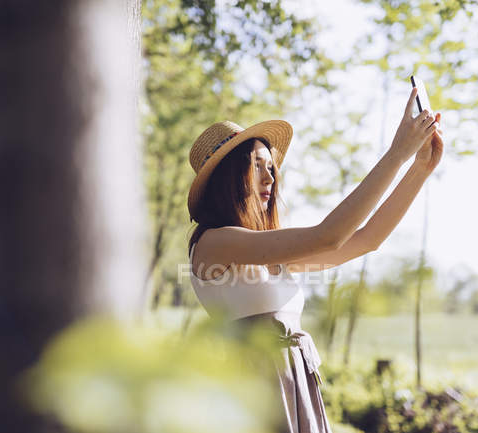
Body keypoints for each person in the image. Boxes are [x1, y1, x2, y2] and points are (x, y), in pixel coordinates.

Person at [186, 86, 443, 433]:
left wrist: (419, 168)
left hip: (294, 391)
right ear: (228, 179)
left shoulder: (270, 254)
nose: (270, 178)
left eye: (271, 167)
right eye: (255, 166)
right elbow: (328, 235)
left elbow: (367, 239)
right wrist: (396, 154)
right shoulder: (215, 243)